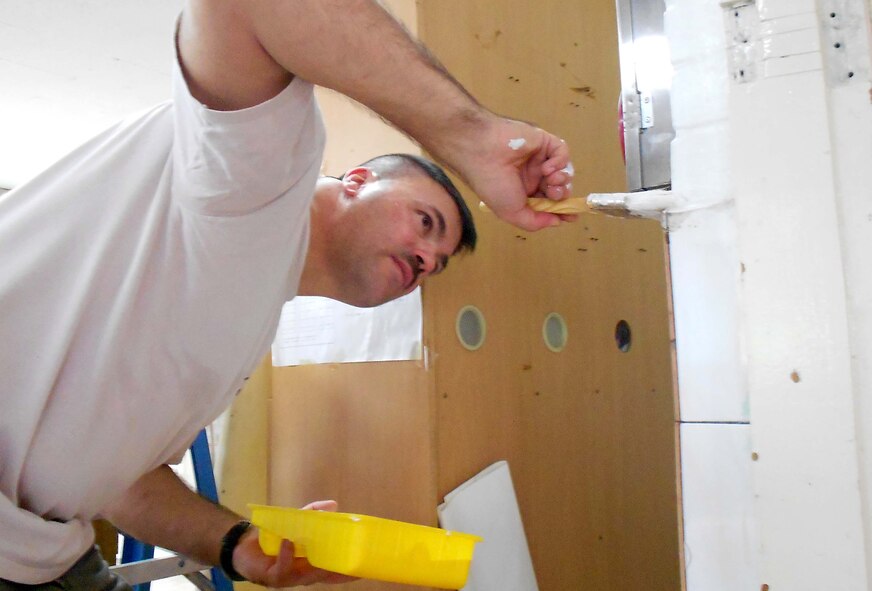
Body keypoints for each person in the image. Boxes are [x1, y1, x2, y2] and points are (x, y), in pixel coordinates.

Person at [0, 0, 574, 588]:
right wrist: (475, 138)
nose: (428, 259)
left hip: (43, 552)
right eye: (426, 222)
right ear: (356, 181)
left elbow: (120, 479)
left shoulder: (251, 306)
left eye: (438, 264)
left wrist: (236, 544)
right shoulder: (262, 190)